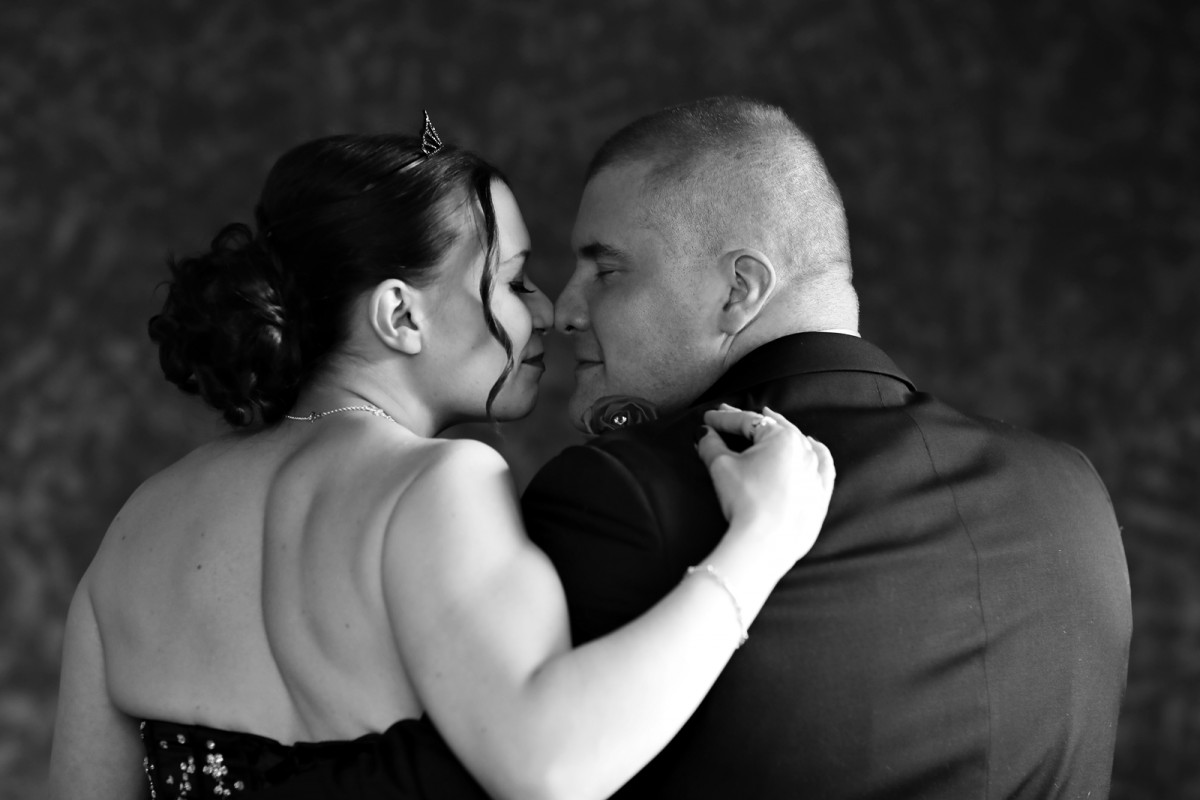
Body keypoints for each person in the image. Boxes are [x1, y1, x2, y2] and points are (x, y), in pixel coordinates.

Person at [47, 120, 836, 800]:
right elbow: (550, 769)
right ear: (400, 314)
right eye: (513, 281)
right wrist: (759, 546)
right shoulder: (435, 483)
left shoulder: (138, 525)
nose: (545, 313)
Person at [518, 96, 1133, 798]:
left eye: (607, 270)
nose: (565, 309)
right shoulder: (1071, 493)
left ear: (739, 289)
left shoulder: (622, 494)